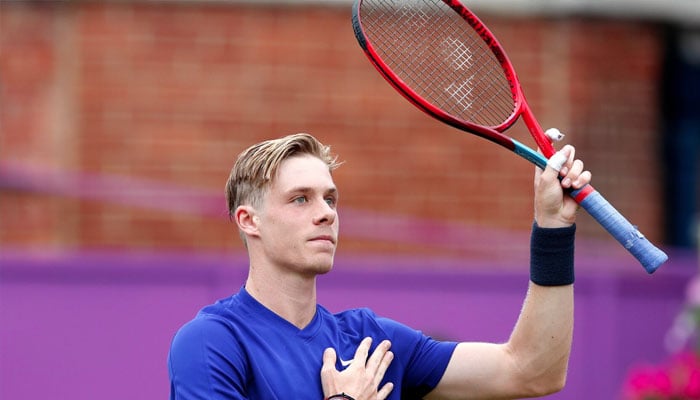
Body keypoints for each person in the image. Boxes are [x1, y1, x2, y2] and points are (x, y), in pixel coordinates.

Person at [168, 132, 591, 400]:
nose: (326, 214)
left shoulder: (373, 342)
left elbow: (533, 371)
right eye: (301, 199)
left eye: (330, 199)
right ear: (249, 220)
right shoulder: (210, 342)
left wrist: (552, 226)